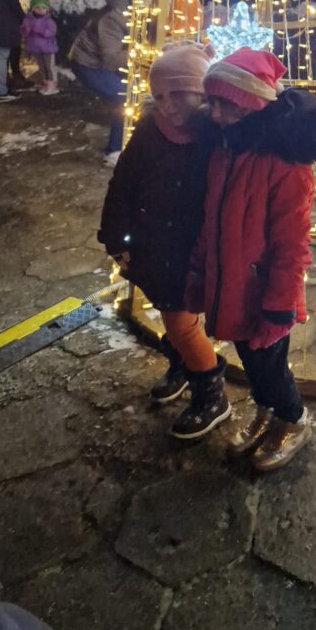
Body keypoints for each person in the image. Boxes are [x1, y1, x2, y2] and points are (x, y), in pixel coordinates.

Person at [185, 47, 316, 471]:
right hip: (230, 285)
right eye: (212, 103)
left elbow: (291, 244)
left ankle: (292, 419)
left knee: (271, 366)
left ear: (251, 104)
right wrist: (199, 268)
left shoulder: (285, 166)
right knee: (250, 359)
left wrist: (279, 304)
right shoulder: (226, 151)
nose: (215, 114)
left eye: (226, 104)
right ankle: (267, 411)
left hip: (264, 292)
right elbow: (211, 217)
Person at [98, 42, 229, 438]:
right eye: (159, 95)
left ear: (201, 92)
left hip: (192, 251)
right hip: (152, 245)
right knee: (169, 313)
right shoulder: (149, 130)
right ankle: (184, 366)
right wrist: (115, 237)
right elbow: (123, 184)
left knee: (181, 322)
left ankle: (211, 395)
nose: (167, 105)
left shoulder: (217, 134)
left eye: (178, 93)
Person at [69, 0, 129, 164]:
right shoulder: (111, 19)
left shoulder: (125, 12)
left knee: (130, 92)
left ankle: (127, 137)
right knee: (124, 97)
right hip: (87, 64)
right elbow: (111, 59)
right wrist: (137, 51)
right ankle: (114, 151)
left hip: (99, 62)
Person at [21, 0, 59, 94]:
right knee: (42, 68)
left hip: (48, 48)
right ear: (33, 8)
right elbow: (24, 33)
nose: (40, 10)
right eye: (37, 7)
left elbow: (52, 32)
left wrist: (40, 30)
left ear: (47, 9)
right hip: (36, 49)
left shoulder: (49, 21)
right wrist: (26, 30)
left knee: (49, 67)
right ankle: (45, 84)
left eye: (43, 8)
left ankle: (52, 86)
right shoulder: (28, 20)